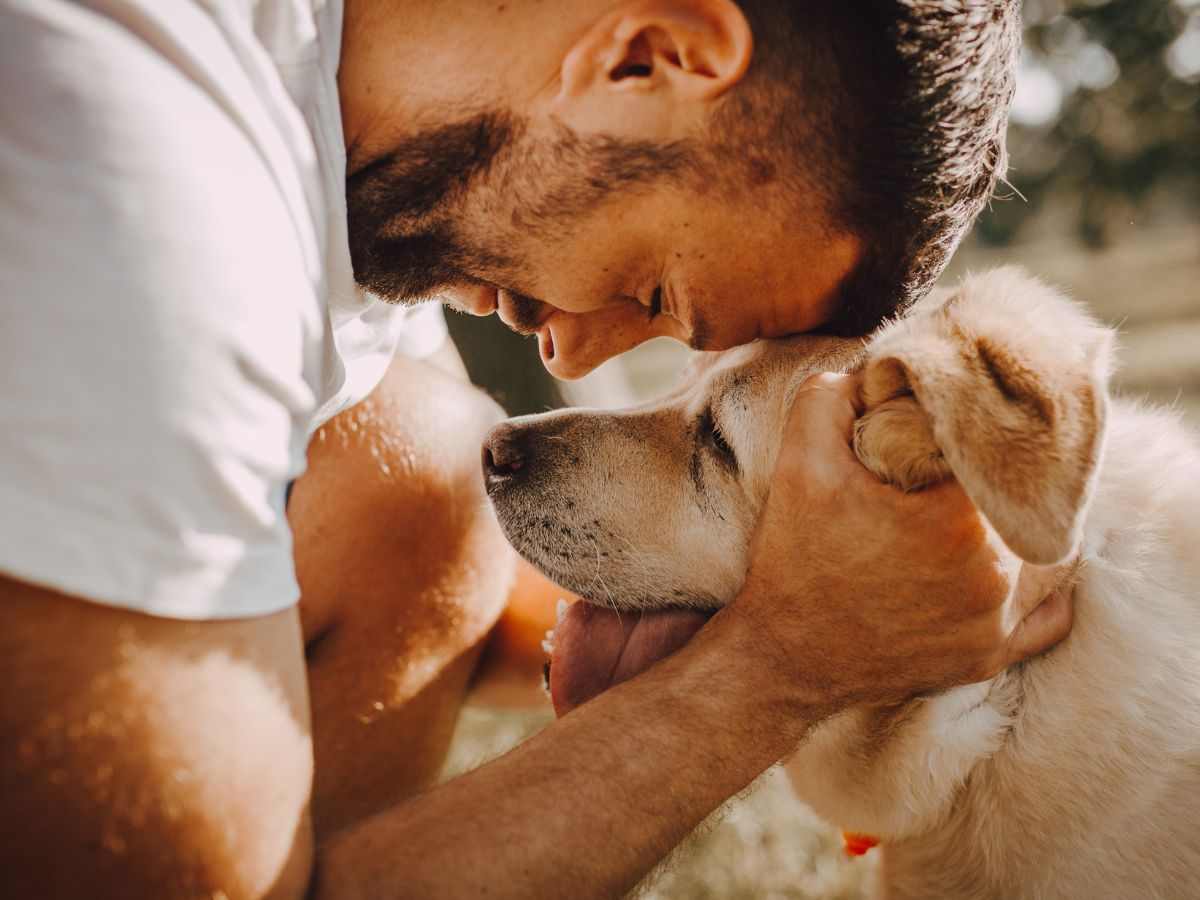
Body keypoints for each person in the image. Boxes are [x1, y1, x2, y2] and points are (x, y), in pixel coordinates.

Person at [0, 1, 1070, 898]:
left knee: (422, 475)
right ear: (649, 56)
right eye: (653, 289)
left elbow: (464, 584)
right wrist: (783, 666)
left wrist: (865, 597)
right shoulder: (136, 174)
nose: (570, 344)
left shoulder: (343, 155)